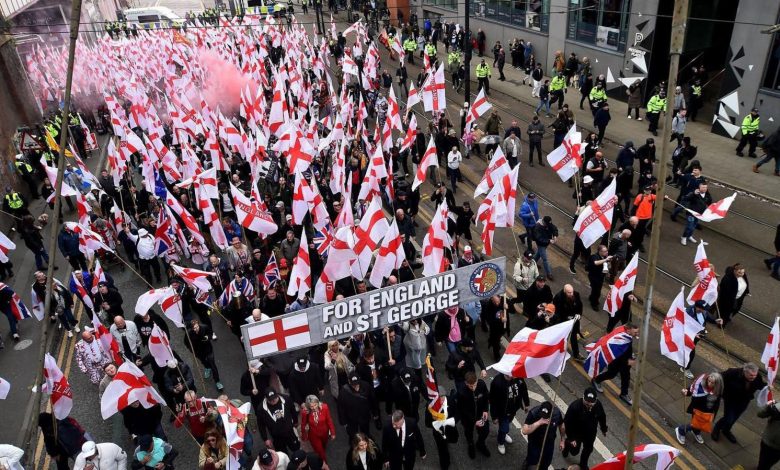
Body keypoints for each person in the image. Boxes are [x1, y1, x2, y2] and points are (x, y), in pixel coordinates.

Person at [712, 363, 765, 443]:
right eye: (751, 375)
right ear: (745, 372)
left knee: (734, 418)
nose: (754, 377)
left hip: (744, 401)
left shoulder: (757, 377)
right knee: (728, 418)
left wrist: (767, 386)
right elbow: (719, 377)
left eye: (755, 375)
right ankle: (717, 428)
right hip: (731, 400)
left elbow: (760, 385)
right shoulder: (733, 372)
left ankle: (726, 430)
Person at [591, 323, 640, 404]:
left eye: (637, 332)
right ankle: (596, 380)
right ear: (628, 330)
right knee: (611, 374)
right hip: (616, 360)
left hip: (625, 361)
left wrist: (631, 356)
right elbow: (617, 349)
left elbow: (627, 348)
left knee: (626, 377)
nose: (637, 334)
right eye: (635, 332)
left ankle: (624, 394)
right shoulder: (622, 338)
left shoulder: (627, 335)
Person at [562, 388, 608, 470]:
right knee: (574, 452)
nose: (589, 404)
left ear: (595, 400)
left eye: (591, 402)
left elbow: (602, 417)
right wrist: (571, 438)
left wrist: (604, 428)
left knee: (588, 449)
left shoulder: (598, 405)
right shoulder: (574, 407)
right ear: (583, 398)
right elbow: (567, 423)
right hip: (577, 434)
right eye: (587, 401)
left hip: (590, 433)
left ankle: (583, 464)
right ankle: (567, 444)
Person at [675, 372, 723, 446]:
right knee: (695, 424)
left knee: (700, 424)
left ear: (717, 384)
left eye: (712, 383)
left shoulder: (717, 390)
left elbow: (716, 403)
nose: (709, 383)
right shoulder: (700, 385)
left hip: (708, 412)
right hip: (697, 409)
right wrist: (686, 392)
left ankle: (696, 432)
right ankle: (681, 430)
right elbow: (692, 390)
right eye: (709, 381)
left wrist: (714, 414)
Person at [681, 300, 723, 378]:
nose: (703, 310)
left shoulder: (703, 311)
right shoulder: (688, 313)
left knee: (688, 350)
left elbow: (708, 317)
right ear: (697, 307)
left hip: (697, 336)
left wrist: (715, 321)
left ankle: (682, 359)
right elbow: (685, 327)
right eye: (702, 309)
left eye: (704, 309)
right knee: (691, 353)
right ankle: (685, 368)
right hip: (689, 337)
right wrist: (693, 334)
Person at [490, 372, 529, 455]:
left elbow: (524, 390)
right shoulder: (497, 382)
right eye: (508, 375)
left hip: (513, 410)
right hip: (502, 412)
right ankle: (501, 442)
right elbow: (492, 400)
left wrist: (527, 404)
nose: (511, 377)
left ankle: (504, 434)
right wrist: (494, 416)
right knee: (504, 428)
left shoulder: (518, 377)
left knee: (508, 423)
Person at [521, 401, 564, 470]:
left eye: (546, 416)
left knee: (546, 463)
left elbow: (561, 425)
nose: (543, 418)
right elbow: (524, 431)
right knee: (532, 461)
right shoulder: (533, 413)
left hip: (549, 443)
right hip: (535, 442)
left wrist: (562, 440)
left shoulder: (557, 413)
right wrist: (539, 422)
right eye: (542, 415)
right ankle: (528, 463)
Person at [258, 389, 299, 454]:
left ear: (277, 395)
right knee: (282, 454)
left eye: (274, 398)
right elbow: (261, 425)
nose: (273, 401)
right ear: (266, 398)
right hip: (277, 437)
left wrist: (295, 421)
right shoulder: (261, 409)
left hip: (290, 433)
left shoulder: (286, 399)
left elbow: (293, 410)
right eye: (270, 400)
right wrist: (265, 439)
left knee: (296, 449)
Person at [338, 373, 378, 440]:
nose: (355, 386)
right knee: (353, 435)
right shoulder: (343, 392)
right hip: (351, 418)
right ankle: (354, 443)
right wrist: (343, 422)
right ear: (349, 381)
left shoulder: (366, 385)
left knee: (365, 431)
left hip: (364, 415)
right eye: (353, 384)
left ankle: (366, 439)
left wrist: (375, 412)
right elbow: (340, 408)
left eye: (357, 383)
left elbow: (372, 400)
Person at [299, 395, 336, 462]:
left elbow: (329, 420)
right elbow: (303, 424)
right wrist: (303, 434)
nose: (313, 408)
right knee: (320, 451)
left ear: (318, 403)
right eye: (311, 406)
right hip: (313, 435)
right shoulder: (305, 412)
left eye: (315, 405)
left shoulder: (324, 407)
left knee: (324, 445)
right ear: (308, 406)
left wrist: (332, 432)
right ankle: (324, 464)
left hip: (325, 432)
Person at [553, 284, 584, 359]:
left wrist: (579, 314)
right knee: (562, 336)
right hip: (563, 321)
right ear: (564, 292)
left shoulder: (576, 294)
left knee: (573, 336)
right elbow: (557, 311)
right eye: (569, 293)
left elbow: (580, 306)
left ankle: (576, 354)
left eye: (572, 292)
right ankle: (556, 349)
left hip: (574, 320)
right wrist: (567, 317)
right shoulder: (558, 298)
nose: (571, 294)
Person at [678, 181, 712, 246]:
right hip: (691, 214)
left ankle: (689, 236)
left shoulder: (707, 195)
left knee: (693, 227)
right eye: (703, 187)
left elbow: (710, 203)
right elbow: (685, 198)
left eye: (705, 187)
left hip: (699, 215)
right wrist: (693, 193)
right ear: (699, 188)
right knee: (689, 227)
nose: (704, 189)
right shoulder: (694, 194)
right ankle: (684, 237)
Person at [587, 245, 613, 311]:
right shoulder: (594, 256)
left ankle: (592, 298)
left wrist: (608, 262)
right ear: (600, 251)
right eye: (604, 251)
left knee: (596, 290)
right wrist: (605, 260)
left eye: (607, 251)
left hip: (600, 277)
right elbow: (596, 263)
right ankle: (594, 303)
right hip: (594, 277)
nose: (606, 252)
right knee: (596, 291)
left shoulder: (605, 257)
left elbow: (607, 267)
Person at [533, 215, 558, 281]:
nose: (548, 225)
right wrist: (549, 240)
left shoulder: (548, 223)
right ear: (544, 222)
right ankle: (549, 273)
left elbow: (554, 228)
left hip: (546, 243)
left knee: (538, 254)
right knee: (545, 259)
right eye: (547, 224)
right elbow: (539, 238)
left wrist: (555, 235)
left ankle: (532, 263)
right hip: (541, 244)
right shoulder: (538, 227)